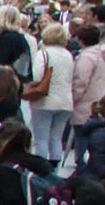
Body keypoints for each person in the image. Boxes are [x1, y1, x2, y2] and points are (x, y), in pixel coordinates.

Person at [29, 22, 77, 165]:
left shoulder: (43, 53)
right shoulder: (68, 55)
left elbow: (37, 77)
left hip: (45, 101)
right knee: (56, 137)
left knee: (41, 139)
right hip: (65, 101)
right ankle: (55, 170)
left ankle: (41, 169)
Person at [74, 23, 105, 131]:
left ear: (81, 40)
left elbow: (81, 82)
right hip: (100, 101)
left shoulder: (86, 57)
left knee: (82, 140)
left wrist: (73, 99)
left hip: (85, 105)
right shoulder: (102, 54)